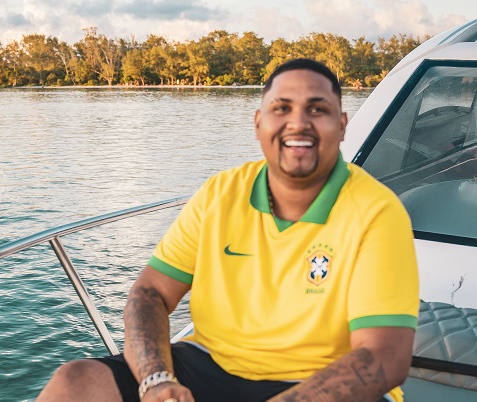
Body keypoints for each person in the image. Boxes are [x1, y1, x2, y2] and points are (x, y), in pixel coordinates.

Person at [37, 58, 419, 402]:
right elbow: (151, 293)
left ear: (342, 125)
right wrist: (156, 381)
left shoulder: (376, 211)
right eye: (281, 108)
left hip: (324, 379)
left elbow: (383, 356)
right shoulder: (220, 193)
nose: (298, 123)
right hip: (212, 362)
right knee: (76, 383)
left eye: (317, 109)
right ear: (258, 124)